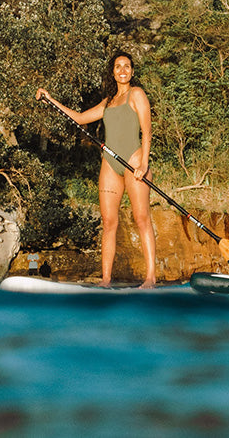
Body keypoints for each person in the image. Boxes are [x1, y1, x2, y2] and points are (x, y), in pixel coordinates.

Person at [36, 51, 157, 288]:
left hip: (134, 162)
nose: (123, 70)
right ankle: (106, 280)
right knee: (109, 222)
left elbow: (147, 131)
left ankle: (150, 278)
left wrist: (143, 164)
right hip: (110, 165)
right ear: (112, 72)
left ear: (132, 71)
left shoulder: (137, 94)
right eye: (118, 66)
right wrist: (50, 100)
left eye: (127, 66)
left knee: (141, 218)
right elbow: (80, 118)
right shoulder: (108, 101)